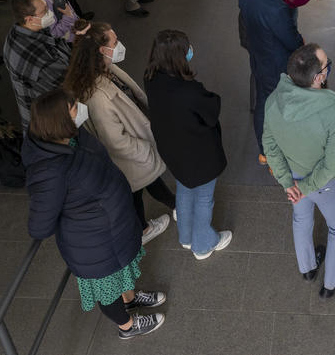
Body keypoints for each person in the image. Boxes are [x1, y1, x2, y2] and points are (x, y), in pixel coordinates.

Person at [22, 89, 166, 341]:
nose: (80, 107)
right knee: (108, 289)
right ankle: (127, 325)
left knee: (122, 271)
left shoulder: (71, 136)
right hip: (94, 244)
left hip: (112, 229)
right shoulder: (50, 172)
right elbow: (39, 226)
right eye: (74, 107)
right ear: (60, 121)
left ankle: (130, 300)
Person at [64, 20, 175, 244]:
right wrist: (145, 150)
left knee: (145, 182)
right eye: (114, 42)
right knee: (136, 187)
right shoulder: (97, 97)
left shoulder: (104, 68)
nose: (119, 44)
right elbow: (115, 140)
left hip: (136, 147)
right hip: (131, 153)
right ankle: (143, 229)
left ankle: (173, 207)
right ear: (102, 50)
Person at [263, 43, 335, 299]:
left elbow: (270, 147)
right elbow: (331, 165)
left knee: (301, 220)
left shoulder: (273, 101)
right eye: (327, 65)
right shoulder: (333, 111)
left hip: (293, 178)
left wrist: (289, 184)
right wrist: (302, 189)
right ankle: (331, 284)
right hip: (324, 185)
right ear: (319, 78)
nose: (328, 68)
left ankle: (307, 268)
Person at [144, 30, 233, 260]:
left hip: (173, 150)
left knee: (184, 189)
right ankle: (204, 244)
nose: (190, 50)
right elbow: (211, 111)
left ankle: (186, 236)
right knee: (204, 197)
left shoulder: (151, 77)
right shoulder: (188, 91)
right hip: (198, 154)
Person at [239, 0, 304, 165]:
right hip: (277, 65)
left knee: (263, 103)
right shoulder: (276, 8)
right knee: (282, 106)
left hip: (258, 57)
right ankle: (282, 150)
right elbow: (292, 40)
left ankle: (264, 152)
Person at [3, 0, 72, 131]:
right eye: (44, 11)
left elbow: (56, 44)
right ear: (29, 19)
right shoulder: (40, 59)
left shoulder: (19, 30)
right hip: (51, 117)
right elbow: (69, 81)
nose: (50, 12)